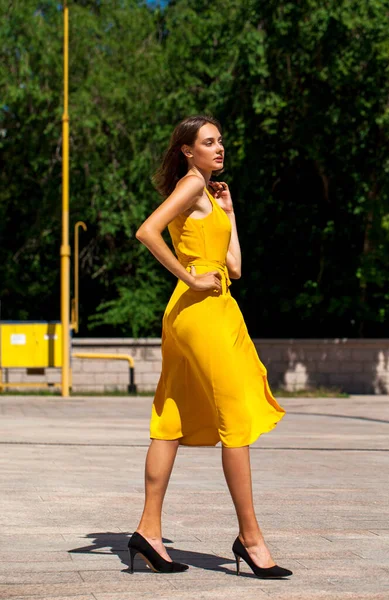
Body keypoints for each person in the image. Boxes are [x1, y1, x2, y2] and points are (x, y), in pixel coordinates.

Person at [128, 115, 292, 579]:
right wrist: (189, 275)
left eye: (220, 140)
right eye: (208, 142)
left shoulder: (211, 195)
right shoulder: (191, 186)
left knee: (171, 418)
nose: (219, 148)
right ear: (187, 150)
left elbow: (235, 267)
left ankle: (149, 533)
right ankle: (251, 539)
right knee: (235, 417)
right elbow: (147, 231)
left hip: (204, 309)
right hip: (201, 310)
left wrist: (231, 212)